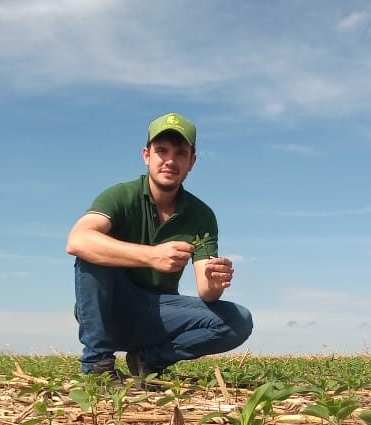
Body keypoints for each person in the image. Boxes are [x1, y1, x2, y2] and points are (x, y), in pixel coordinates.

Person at [67, 112, 253, 379]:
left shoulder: (201, 215)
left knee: (239, 320)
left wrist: (215, 281)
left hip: (160, 313)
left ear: (192, 162)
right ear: (146, 155)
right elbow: (77, 240)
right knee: (91, 253)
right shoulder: (121, 196)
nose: (170, 161)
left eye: (180, 153)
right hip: (110, 310)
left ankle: (147, 360)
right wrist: (151, 256)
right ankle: (97, 365)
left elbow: (206, 291)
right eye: (161, 151)